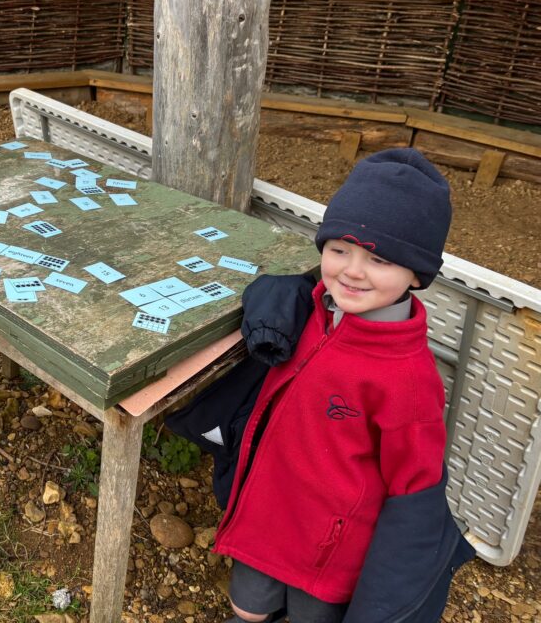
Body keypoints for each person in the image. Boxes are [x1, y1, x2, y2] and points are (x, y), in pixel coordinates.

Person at [202, 149, 473, 623]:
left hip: (330, 549)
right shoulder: (312, 312)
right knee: (245, 608)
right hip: (265, 512)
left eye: (379, 259)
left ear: (417, 275)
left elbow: (416, 490)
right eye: (339, 248)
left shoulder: (409, 377)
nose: (352, 270)